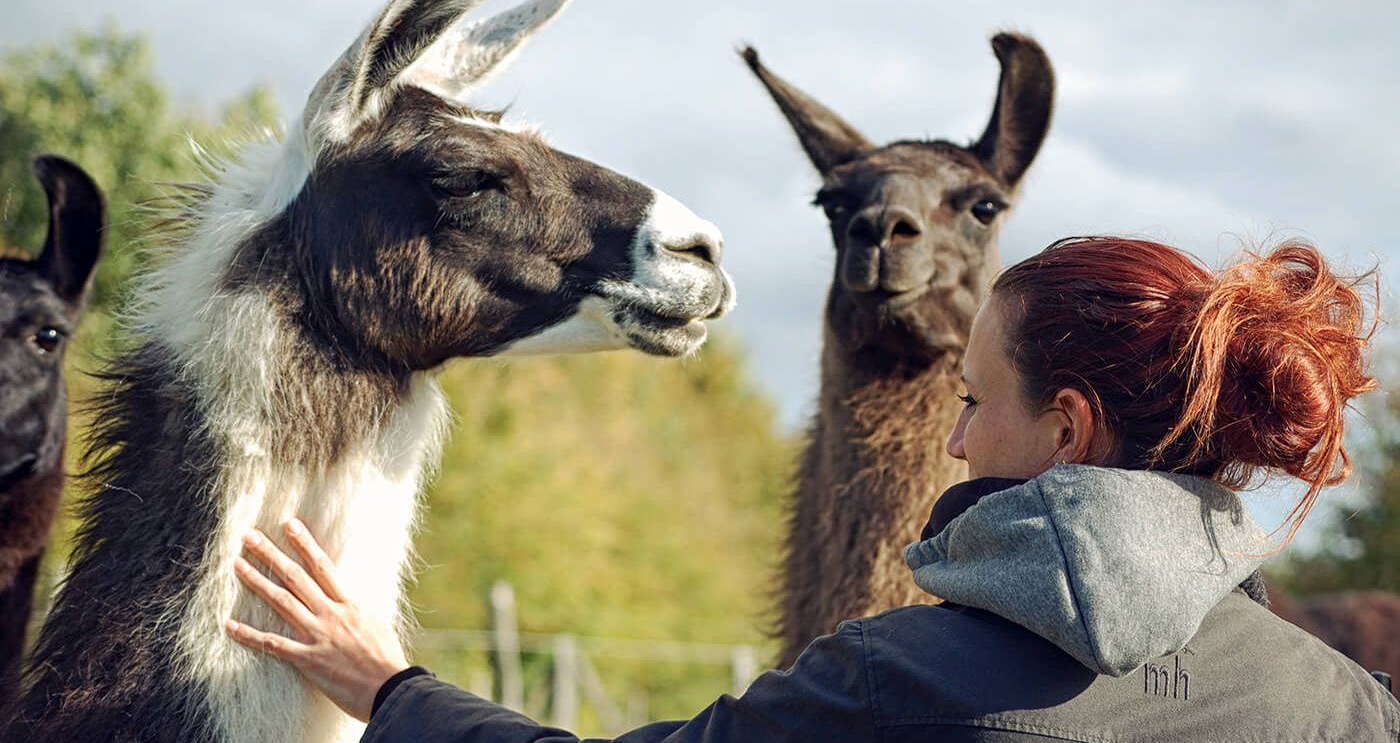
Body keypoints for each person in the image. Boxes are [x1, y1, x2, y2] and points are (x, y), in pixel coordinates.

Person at [226, 237, 1400, 741]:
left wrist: (389, 687)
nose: (949, 443)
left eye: (973, 400)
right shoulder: (1348, 704)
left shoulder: (903, 678)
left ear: (1066, 427)